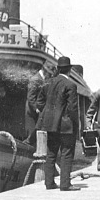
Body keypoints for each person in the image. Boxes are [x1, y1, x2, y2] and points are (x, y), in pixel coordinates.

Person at [36, 56, 80, 191]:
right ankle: (65, 184)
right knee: (66, 154)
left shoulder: (47, 83)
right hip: (66, 126)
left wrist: (49, 115)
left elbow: (39, 102)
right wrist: (75, 125)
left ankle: (49, 183)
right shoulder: (70, 85)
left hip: (50, 125)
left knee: (51, 153)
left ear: (58, 69)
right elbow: (72, 108)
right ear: (70, 70)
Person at [24, 60, 55, 145]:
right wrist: (36, 108)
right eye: (49, 73)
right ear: (45, 71)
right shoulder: (35, 79)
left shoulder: (44, 79)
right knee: (32, 135)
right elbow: (30, 97)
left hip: (39, 111)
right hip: (32, 111)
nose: (50, 75)